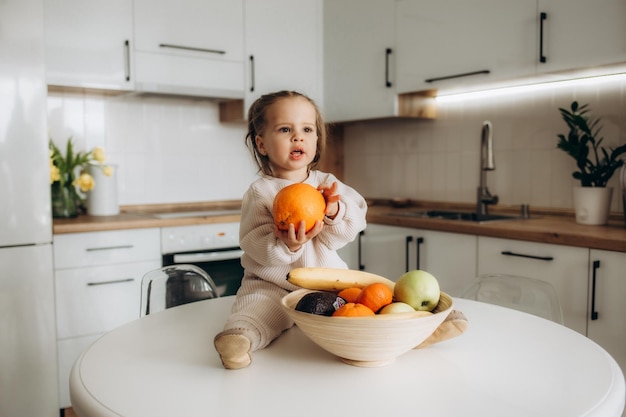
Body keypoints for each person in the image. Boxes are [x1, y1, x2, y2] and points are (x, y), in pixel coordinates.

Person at [213, 90, 368, 369]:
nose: (298, 137)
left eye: (307, 129)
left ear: (316, 140)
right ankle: (239, 340)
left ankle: (417, 333)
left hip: (326, 282)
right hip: (272, 284)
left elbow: (351, 225)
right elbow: (253, 242)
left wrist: (334, 211)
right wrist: (287, 245)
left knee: (364, 307)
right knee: (255, 309)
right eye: (285, 129)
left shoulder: (328, 185)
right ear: (261, 144)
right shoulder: (261, 192)